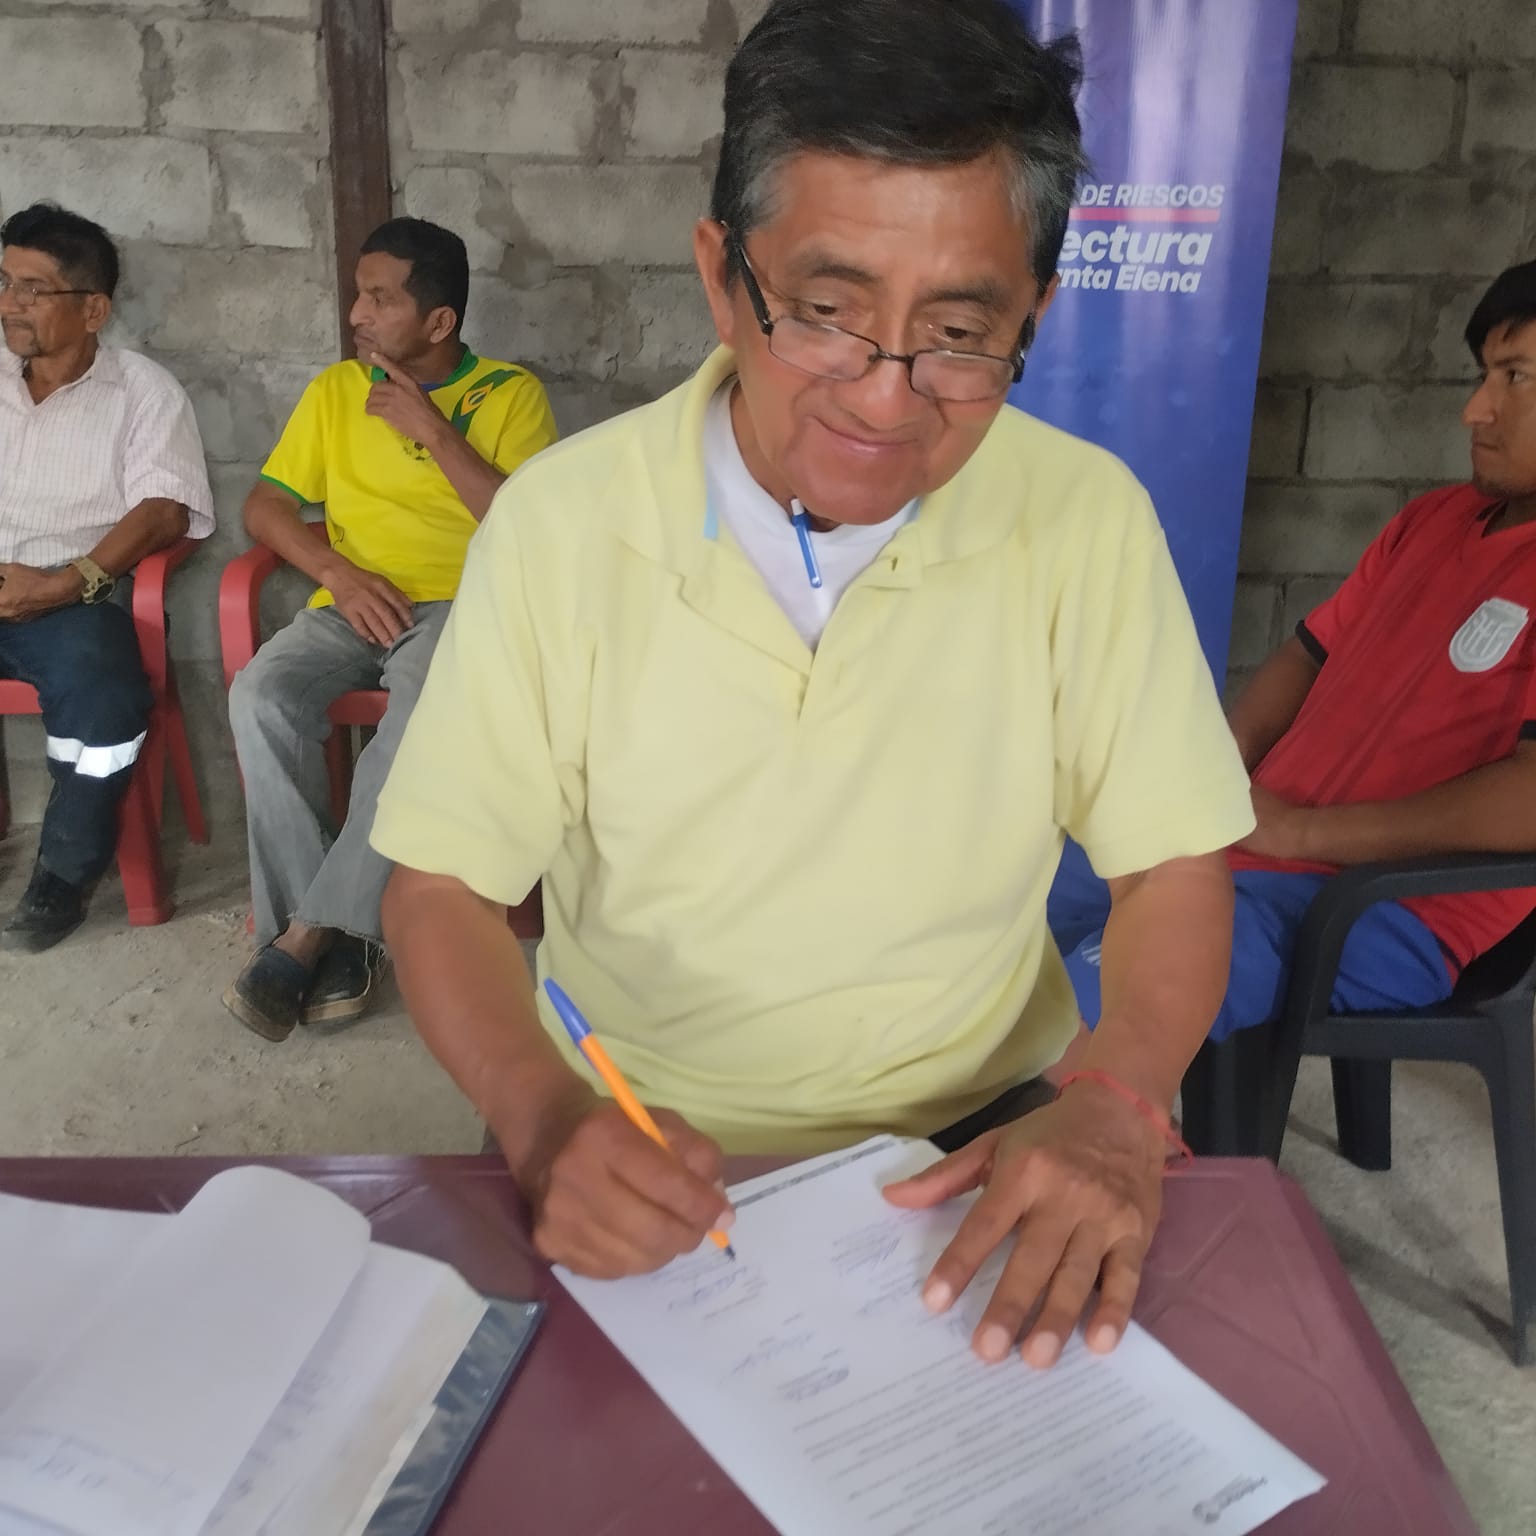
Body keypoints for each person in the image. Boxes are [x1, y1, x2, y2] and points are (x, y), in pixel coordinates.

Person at [372, 0, 1254, 1371]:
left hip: (984, 1144)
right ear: (723, 278)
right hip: (635, 1138)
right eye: (828, 316)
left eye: (958, 332)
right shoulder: (564, 524)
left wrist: (1122, 1093)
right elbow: (441, 890)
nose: (886, 398)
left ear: (1035, 313)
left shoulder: (1084, 519)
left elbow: (1173, 866)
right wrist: (543, 1122)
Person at [1054, 260, 1536, 1044]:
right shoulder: (1432, 522)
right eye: (1483, 376)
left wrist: (1302, 835)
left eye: (1515, 377)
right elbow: (1310, 654)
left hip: (1383, 908)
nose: (1475, 409)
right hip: (1249, 843)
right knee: (1023, 887)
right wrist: (1217, 770)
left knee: (1088, 1006)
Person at [223, 216, 556, 1042]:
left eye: (379, 299)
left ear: (438, 321)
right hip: (353, 600)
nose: (357, 315)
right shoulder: (336, 391)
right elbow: (264, 507)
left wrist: (432, 429)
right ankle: (343, 937)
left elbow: (527, 526)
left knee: (417, 718)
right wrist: (336, 573)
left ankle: (305, 938)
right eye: (358, 295)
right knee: (260, 695)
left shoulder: (509, 395)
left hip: (462, 608)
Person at [0, 202, 213, 953]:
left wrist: (64, 583)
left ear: (94, 309)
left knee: (104, 693)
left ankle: (63, 875)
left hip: (71, 600)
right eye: (4, 283)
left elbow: (163, 511)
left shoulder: (143, 393)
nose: (10, 304)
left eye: (32, 289)